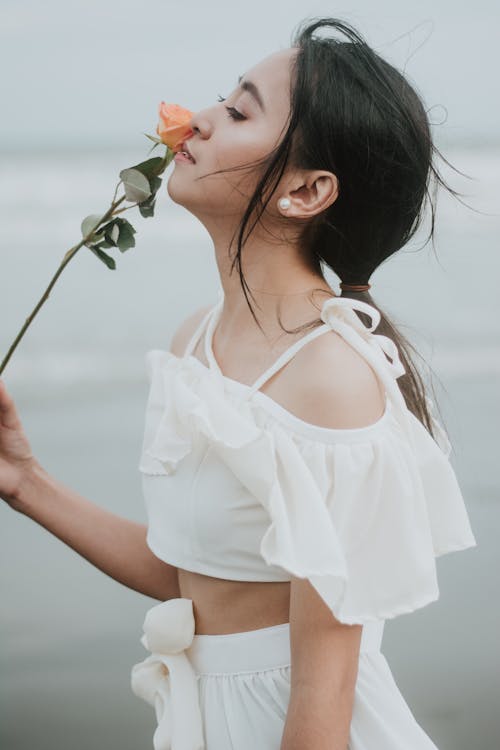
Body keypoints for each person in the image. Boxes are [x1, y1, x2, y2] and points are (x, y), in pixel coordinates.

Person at [0, 16, 477, 750]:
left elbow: (326, 687)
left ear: (307, 190)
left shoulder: (331, 379)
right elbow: (193, 580)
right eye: (224, 98)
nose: (198, 119)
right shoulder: (195, 340)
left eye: (240, 110)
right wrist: (24, 480)